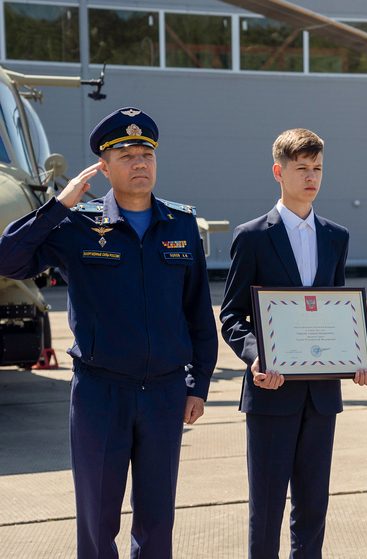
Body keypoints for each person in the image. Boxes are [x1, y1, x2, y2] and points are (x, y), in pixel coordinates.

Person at [0, 107, 218, 558]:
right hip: (101, 393)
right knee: (98, 519)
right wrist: (58, 205)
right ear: (103, 166)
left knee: (158, 521)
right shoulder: (77, 225)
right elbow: (7, 260)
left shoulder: (180, 225)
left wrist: (197, 383)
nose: (140, 163)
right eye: (127, 156)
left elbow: (198, 314)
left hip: (164, 393)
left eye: (147, 155)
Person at [220, 128, 367, 558]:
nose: (312, 177)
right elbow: (232, 316)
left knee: (313, 508)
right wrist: (256, 358)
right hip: (272, 392)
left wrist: (358, 357)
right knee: (267, 509)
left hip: (322, 394)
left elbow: (337, 311)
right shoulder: (252, 236)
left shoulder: (336, 237)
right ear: (279, 171)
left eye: (318, 168)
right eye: (302, 168)